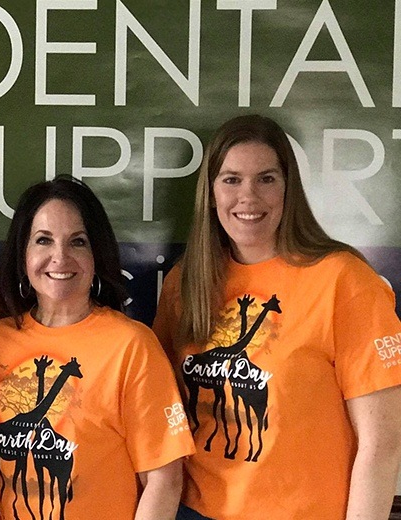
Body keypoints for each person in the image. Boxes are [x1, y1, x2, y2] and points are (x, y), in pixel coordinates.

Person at [152, 114, 401, 520]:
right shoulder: (187, 281)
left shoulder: (343, 279)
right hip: (193, 510)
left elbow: (383, 442)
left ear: (289, 190)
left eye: (266, 179)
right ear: (211, 193)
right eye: (231, 179)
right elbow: (163, 415)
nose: (248, 197)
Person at [0, 175, 195, 520]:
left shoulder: (131, 345)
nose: (60, 257)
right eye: (43, 240)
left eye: (77, 242)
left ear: (96, 253)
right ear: (22, 253)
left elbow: (164, 480)